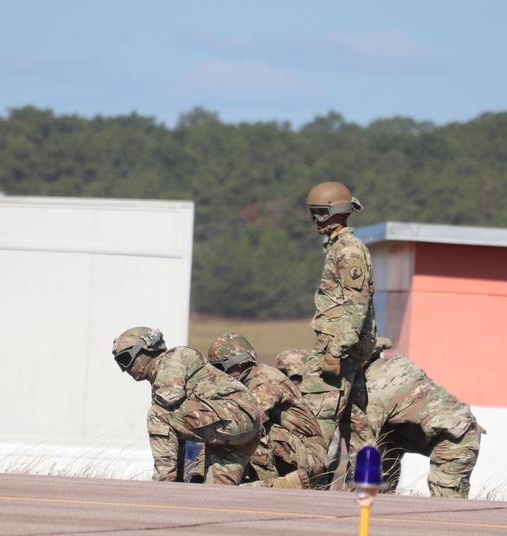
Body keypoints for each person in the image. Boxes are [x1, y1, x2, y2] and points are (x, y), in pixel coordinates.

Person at [112, 326, 262, 485]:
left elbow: (170, 398)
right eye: (120, 363)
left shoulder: (171, 358)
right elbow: (177, 430)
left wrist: (167, 481)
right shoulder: (169, 367)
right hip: (242, 423)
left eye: (125, 359)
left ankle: (161, 485)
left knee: (156, 414)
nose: (125, 369)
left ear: (144, 350)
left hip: (234, 415)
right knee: (216, 491)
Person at [306, 181, 378, 479]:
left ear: (337, 213)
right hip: (343, 348)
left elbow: (355, 307)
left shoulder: (348, 251)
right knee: (356, 419)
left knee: (319, 416)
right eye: (313, 213)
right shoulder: (338, 247)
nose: (315, 220)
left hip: (340, 350)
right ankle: (362, 482)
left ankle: (309, 482)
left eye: (321, 213)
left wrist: (335, 352)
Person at [363, 338, 484, 498]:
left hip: (456, 437)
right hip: (439, 430)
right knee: (383, 454)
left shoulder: (375, 386)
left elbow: (364, 445)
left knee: (446, 506)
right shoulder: (395, 363)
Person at [207, 332, 328, 489]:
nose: (216, 374)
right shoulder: (242, 385)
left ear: (238, 364)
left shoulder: (264, 378)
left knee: (250, 432)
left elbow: (244, 422)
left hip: (310, 458)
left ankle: (269, 488)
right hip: (294, 454)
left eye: (218, 368)